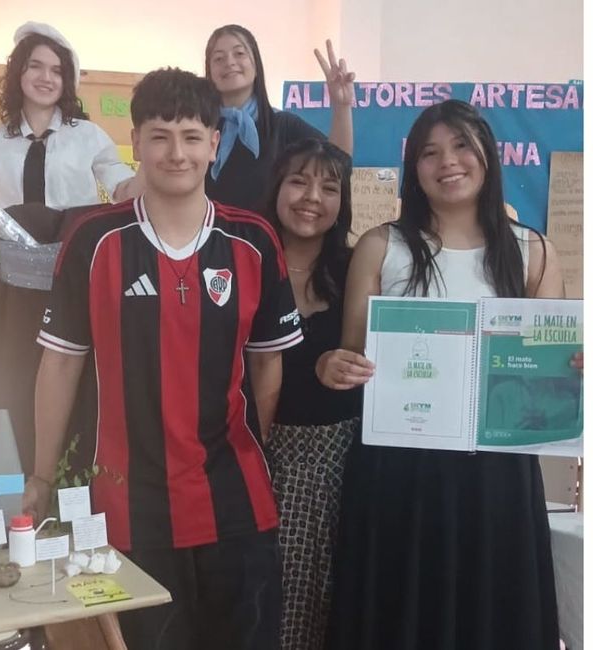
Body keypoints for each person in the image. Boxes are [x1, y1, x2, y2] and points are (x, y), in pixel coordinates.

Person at [22, 68, 303, 650]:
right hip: (126, 512)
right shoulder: (93, 241)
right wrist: (41, 477)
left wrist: (247, 447)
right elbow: (60, 367)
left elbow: (267, 371)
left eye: (192, 136)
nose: (177, 152)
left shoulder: (253, 241)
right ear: (136, 144)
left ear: (214, 144)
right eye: (160, 135)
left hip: (236, 508)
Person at [317, 99, 570, 649]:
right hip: (399, 469)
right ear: (414, 169)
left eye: (460, 145)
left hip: (495, 475)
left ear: (486, 155)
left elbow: (548, 375)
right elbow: (353, 355)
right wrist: (335, 365)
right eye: (429, 152)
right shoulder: (382, 247)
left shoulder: (535, 253)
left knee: (491, 613)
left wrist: (567, 372)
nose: (447, 161)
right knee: (401, 613)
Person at [0, 21, 140, 482]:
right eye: (35, 66)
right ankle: (6, 496)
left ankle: (74, 489)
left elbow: (122, 188)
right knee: (6, 387)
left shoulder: (88, 136)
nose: (45, 77)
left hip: (73, 286)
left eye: (56, 70)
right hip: (11, 292)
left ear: (67, 80)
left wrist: (158, 165)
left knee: (75, 387)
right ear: (18, 73)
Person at [259, 138, 362, 650]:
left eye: (329, 187)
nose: (312, 197)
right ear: (276, 186)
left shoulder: (356, 269)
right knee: (270, 603)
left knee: (340, 600)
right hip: (260, 458)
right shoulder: (242, 259)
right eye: (299, 180)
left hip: (345, 463)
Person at [203, 24, 355, 211]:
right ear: (209, 72)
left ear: (256, 65)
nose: (229, 62)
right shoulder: (199, 128)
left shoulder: (283, 125)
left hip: (265, 238)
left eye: (239, 54)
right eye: (218, 58)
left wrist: (342, 106)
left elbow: (337, 164)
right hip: (208, 238)